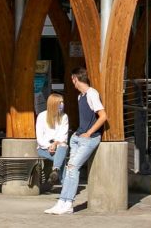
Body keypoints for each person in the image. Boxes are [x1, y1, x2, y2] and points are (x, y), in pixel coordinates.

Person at [45, 67, 107, 215]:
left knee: (72, 168)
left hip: (89, 139)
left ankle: (68, 203)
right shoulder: (81, 96)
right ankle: (62, 202)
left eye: (72, 79)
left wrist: (89, 133)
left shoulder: (92, 94)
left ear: (75, 78)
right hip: (78, 138)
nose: (72, 82)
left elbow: (103, 116)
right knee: (69, 168)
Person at [36, 92, 69, 187]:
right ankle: (64, 186)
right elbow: (40, 138)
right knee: (61, 159)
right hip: (43, 149)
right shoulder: (42, 116)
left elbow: (63, 136)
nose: (62, 104)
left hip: (59, 147)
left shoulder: (64, 117)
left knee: (63, 146)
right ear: (53, 104)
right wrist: (48, 146)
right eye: (60, 102)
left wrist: (55, 144)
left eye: (62, 102)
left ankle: (55, 169)